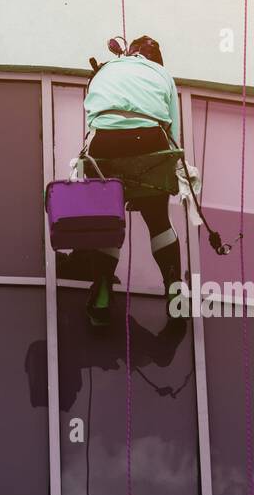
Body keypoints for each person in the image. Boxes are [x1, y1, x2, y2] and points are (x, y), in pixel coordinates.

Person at [73, 33, 185, 327]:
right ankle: (173, 286)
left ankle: (101, 294)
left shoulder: (107, 69)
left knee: (109, 219)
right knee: (158, 218)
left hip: (105, 143)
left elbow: (92, 117)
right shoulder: (163, 74)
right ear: (156, 59)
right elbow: (172, 128)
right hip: (149, 139)